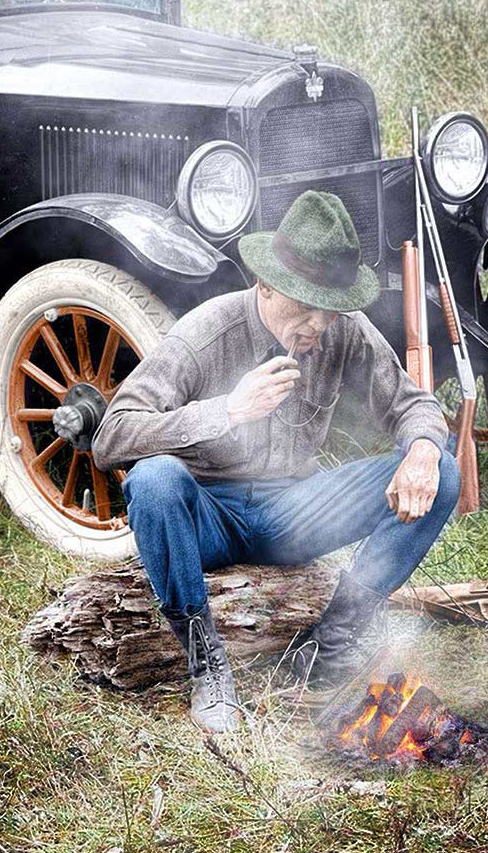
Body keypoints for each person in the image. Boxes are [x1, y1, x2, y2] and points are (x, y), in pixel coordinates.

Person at [90, 190, 460, 734]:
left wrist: (424, 449)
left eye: (328, 309)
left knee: (443, 470)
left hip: (294, 512)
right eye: (304, 305)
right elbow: (111, 437)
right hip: (206, 517)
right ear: (265, 284)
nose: (318, 324)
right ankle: (208, 666)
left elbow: (412, 404)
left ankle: (330, 645)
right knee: (154, 479)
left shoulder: (342, 331)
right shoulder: (205, 332)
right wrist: (226, 411)